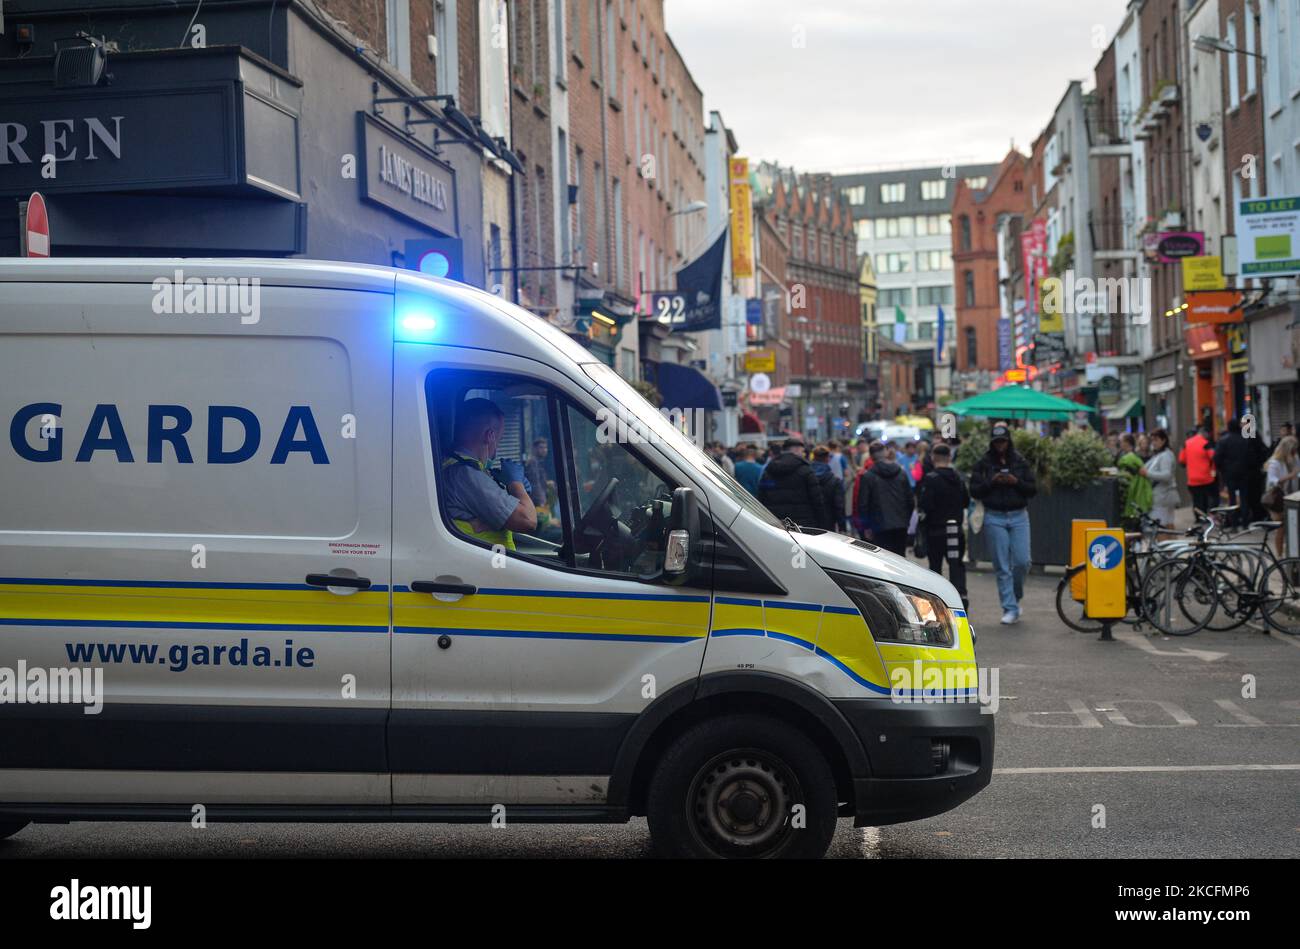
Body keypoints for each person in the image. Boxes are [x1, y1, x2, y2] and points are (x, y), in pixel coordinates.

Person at [441, 399, 537, 551]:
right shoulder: (465, 474)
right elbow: (527, 520)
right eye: (499, 440)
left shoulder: (453, 464)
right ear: (489, 436)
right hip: (483, 568)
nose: (497, 445)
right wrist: (516, 486)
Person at [969, 422, 1036, 625]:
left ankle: (1015, 597)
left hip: (1018, 515)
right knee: (1001, 566)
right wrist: (993, 480)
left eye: (1003, 441)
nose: (1000, 445)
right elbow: (974, 490)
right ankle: (1010, 607)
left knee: (1023, 562)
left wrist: (1015, 481)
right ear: (992, 442)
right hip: (994, 515)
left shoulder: (1020, 461)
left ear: (1008, 441)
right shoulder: (983, 463)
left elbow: (1032, 490)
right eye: (997, 442)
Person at [916, 442, 970, 607]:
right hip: (955, 530)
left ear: (933, 458)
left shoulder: (931, 479)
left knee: (935, 567)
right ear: (949, 457)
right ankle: (961, 597)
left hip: (935, 530)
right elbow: (966, 502)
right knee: (956, 565)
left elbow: (925, 505)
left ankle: (938, 602)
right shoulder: (959, 478)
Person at [857, 441, 914, 555]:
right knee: (900, 558)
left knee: (884, 560)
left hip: (879, 525)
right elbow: (910, 500)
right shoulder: (901, 473)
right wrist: (906, 519)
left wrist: (866, 526)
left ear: (871, 456)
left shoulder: (868, 476)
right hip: (900, 523)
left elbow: (863, 504)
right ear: (886, 453)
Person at [757, 438, 828, 529]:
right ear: (797, 450)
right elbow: (817, 499)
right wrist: (822, 523)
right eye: (802, 452)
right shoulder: (806, 470)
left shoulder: (769, 469)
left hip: (777, 523)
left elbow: (762, 496)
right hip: (804, 524)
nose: (804, 454)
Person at [1263, 436, 1300, 557]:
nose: (1295, 452)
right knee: (1281, 528)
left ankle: (1292, 554)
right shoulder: (1275, 462)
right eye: (1293, 450)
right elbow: (1273, 481)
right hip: (1277, 500)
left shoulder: (1295, 459)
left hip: (1292, 498)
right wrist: (1291, 475)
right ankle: (1279, 556)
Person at [1214, 418, 1253, 526]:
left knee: (1232, 499)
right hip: (1244, 473)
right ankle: (1245, 523)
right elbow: (1250, 457)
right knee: (1244, 498)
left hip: (1229, 473)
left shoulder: (1223, 440)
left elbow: (1217, 458)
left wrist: (1222, 470)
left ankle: (1234, 523)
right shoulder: (1244, 440)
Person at [1144, 428, 1179, 528]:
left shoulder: (1165, 456)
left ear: (1163, 440)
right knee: (1168, 524)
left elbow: (1166, 475)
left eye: (1156, 440)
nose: (1154, 443)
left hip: (1163, 496)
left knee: (1161, 527)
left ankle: (1165, 543)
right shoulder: (1160, 455)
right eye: (1152, 440)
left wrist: (1147, 473)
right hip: (1163, 496)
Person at [1116, 432, 1153, 528]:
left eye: (1121, 441)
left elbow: (1142, 471)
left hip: (1134, 492)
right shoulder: (1129, 456)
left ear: (1127, 443)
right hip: (1133, 493)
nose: (1119, 443)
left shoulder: (1130, 457)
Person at [1179, 425, 1218, 515]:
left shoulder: (1186, 443)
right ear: (1205, 433)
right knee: (1207, 499)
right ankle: (1207, 517)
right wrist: (1213, 472)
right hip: (1206, 478)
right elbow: (1213, 458)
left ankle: (1198, 518)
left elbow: (1181, 461)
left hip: (1192, 480)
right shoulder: (1206, 444)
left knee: (1196, 501)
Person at [811, 445, 847, 533]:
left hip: (809, 521)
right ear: (827, 459)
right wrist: (842, 526)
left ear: (814, 458)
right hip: (829, 522)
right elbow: (839, 505)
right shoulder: (834, 480)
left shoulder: (805, 476)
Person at [523, 437, 551, 508]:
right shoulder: (532, 462)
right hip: (536, 502)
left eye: (545, 447)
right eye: (541, 447)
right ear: (534, 449)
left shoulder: (539, 461)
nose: (544, 450)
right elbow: (535, 484)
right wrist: (541, 501)